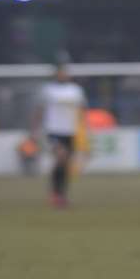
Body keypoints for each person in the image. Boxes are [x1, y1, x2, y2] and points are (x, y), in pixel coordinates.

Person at [33, 63, 87, 209]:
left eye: (65, 72)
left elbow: (82, 110)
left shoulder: (76, 90)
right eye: (61, 72)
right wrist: (35, 129)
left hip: (70, 131)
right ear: (56, 74)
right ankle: (55, 193)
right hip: (53, 130)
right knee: (60, 157)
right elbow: (40, 110)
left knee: (65, 163)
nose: (63, 75)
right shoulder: (48, 90)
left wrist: (84, 129)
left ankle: (61, 194)